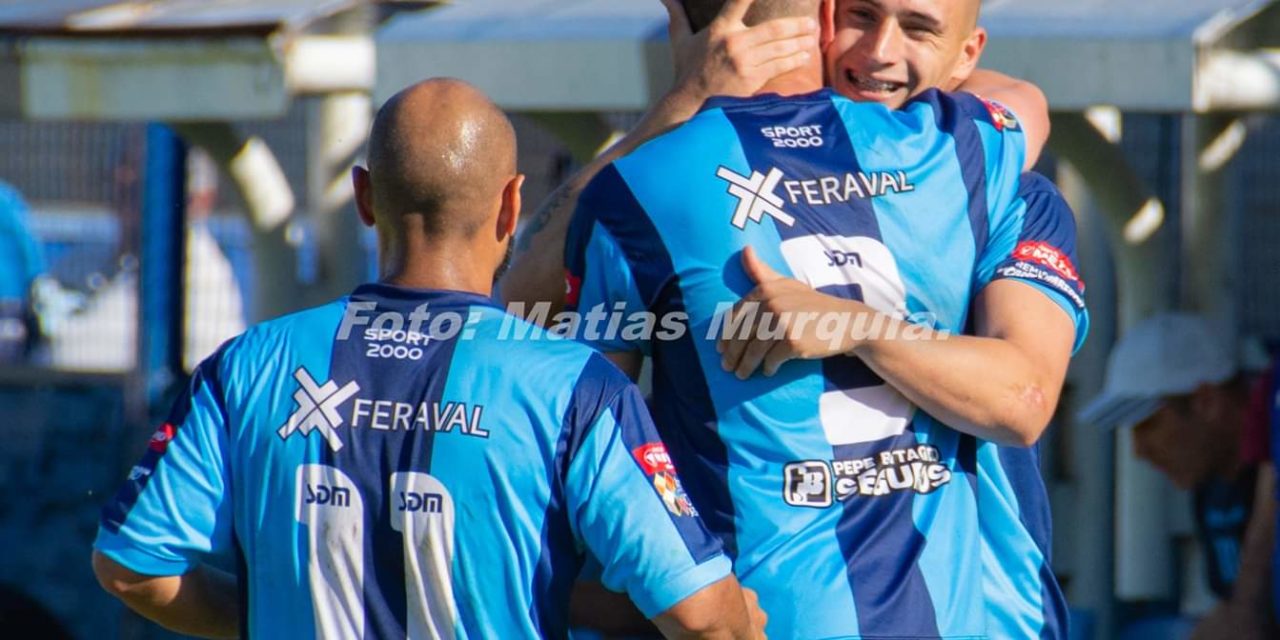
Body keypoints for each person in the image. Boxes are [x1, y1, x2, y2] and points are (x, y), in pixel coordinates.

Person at [90, 78, 765, 640]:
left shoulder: (249, 365)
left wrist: (269, 617)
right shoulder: (571, 386)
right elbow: (701, 618)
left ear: (363, 198)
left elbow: (131, 566)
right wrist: (742, 617)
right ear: (510, 206)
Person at [505, 0, 1085, 637]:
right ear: (826, 19)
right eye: (863, 16)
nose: (879, 53)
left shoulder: (1002, 187)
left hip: (993, 613)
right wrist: (682, 105)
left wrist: (855, 325)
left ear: (968, 56)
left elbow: (1023, 397)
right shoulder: (971, 149)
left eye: (918, 28)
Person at [1080, 313, 1277, 640]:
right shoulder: (1211, 484)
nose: (1139, 451)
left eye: (1148, 425)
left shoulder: (1268, 472)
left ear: (1206, 402)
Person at [0, 180, 46, 363]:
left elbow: (25, 240)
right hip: (11, 293)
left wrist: (36, 274)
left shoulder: (4, 199)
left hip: (9, 292)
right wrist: (37, 274)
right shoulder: (6, 197)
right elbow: (27, 240)